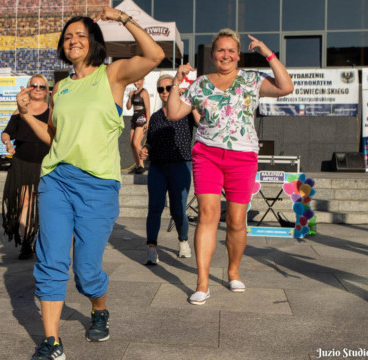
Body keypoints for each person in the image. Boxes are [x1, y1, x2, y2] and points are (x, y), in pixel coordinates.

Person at [15, 9, 164, 359]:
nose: (73, 40)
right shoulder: (61, 87)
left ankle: (99, 308)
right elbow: (53, 138)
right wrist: (25, 114)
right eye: (68, 37)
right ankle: (51, 342)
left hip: (98, 185)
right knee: (50, 259)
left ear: (94, 41)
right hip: (57, 180)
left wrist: (122, 18)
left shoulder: (112, 75)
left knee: (86, 271)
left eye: (80, 35)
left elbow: (155, 55)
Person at [167, 29, 294, 305]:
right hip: (207, 154)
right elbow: (174, 113)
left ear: (238, 55)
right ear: (213, 55)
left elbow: (286, 87)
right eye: (220, 50)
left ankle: (233, 271)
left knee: (237, 220)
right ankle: (202, 282)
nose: (225, 55)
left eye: (231, 50)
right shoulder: (200, 84)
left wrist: (268, 54)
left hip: (242, 156)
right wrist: (177, 82)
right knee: (207, 215)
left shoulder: (251, 80)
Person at [139, 75, 198, 265]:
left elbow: (200, 121)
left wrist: (188, 98)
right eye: (160, 89)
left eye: (167, 88)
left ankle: (183, 240)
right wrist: (146, 148)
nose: (164, 92)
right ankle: (151, 248)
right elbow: (151, 140)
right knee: (154, 207)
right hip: (157, 166)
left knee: (178, 208)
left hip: (180, 165)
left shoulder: (186, 111)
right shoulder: (155, 117)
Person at [1, 74, 50, 260]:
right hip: (22, 162)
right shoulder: (20, 110)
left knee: (44, 204)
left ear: (47, 90)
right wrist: (7, 143)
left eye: (42, 86)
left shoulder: (52, 110)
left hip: (46, 164)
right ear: (28, 88)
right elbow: (6, 133)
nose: (38, 89)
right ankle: (26, 241)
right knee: (25, 202)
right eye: (34, 86)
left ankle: (40, 238)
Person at [126, 78, 149, 174]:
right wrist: (130, 97)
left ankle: (142, 165)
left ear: (143, 80)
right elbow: (128, 107)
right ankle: (137, 166)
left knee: (136, 142)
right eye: (135, 81)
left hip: (142, 118)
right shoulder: (133, 93)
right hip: (134, 118)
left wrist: (148, 122)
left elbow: (148, 109)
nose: (136, 83)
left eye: (138, 81)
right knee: (132, 143)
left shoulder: (144, 92)